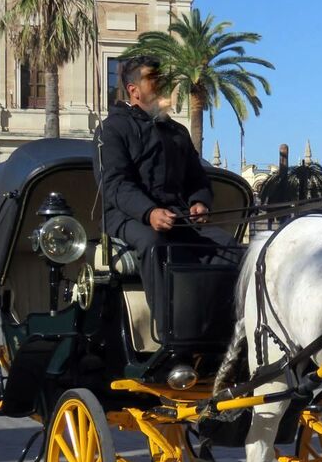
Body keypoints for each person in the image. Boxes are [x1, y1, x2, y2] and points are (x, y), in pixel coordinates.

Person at [93, 55, 239, 365]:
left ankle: (224, 337)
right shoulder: (112, 130)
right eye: (153, 80)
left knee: (229, 248)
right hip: (127, 218)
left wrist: (200, 201)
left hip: (177, 215)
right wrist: (149, 213)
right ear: (133, 89)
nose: (163, 85)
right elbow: (115, 184)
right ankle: (173, 341)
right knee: (157, 246)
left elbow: (197, 177)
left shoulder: (176, 132)